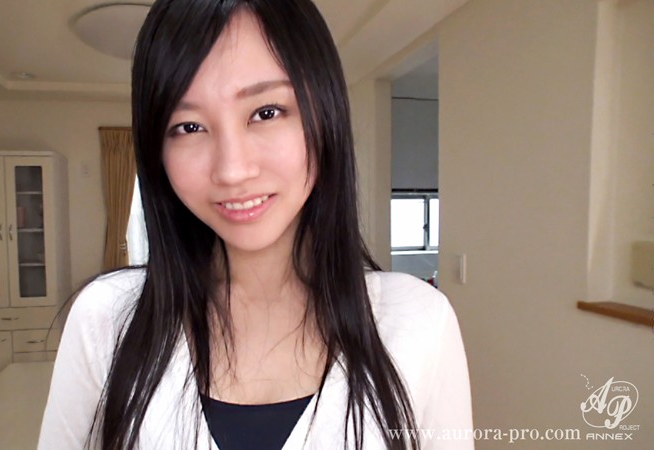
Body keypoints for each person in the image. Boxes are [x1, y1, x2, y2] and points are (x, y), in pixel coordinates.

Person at [38, 0, 472, 449]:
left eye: (266, 112)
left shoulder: (418, 322)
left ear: (325, 114)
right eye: (188, 127)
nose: (232, 170)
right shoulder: (107, 320)